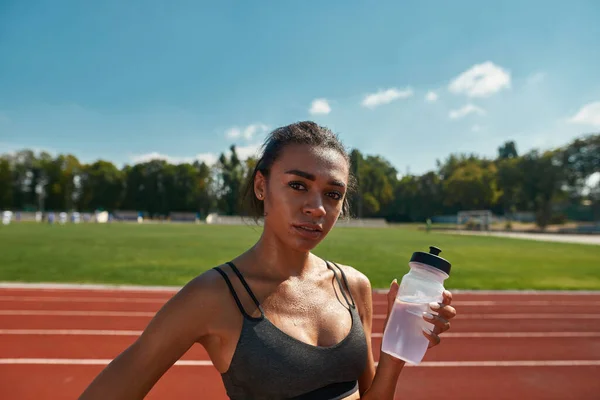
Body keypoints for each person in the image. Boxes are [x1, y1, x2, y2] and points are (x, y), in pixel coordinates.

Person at [79, 121, 457, 400]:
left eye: (333, 194)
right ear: (262, 186)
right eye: (298, 185)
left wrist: (396, 350)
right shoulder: (214, 295)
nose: (316, 208)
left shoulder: (352, 286)